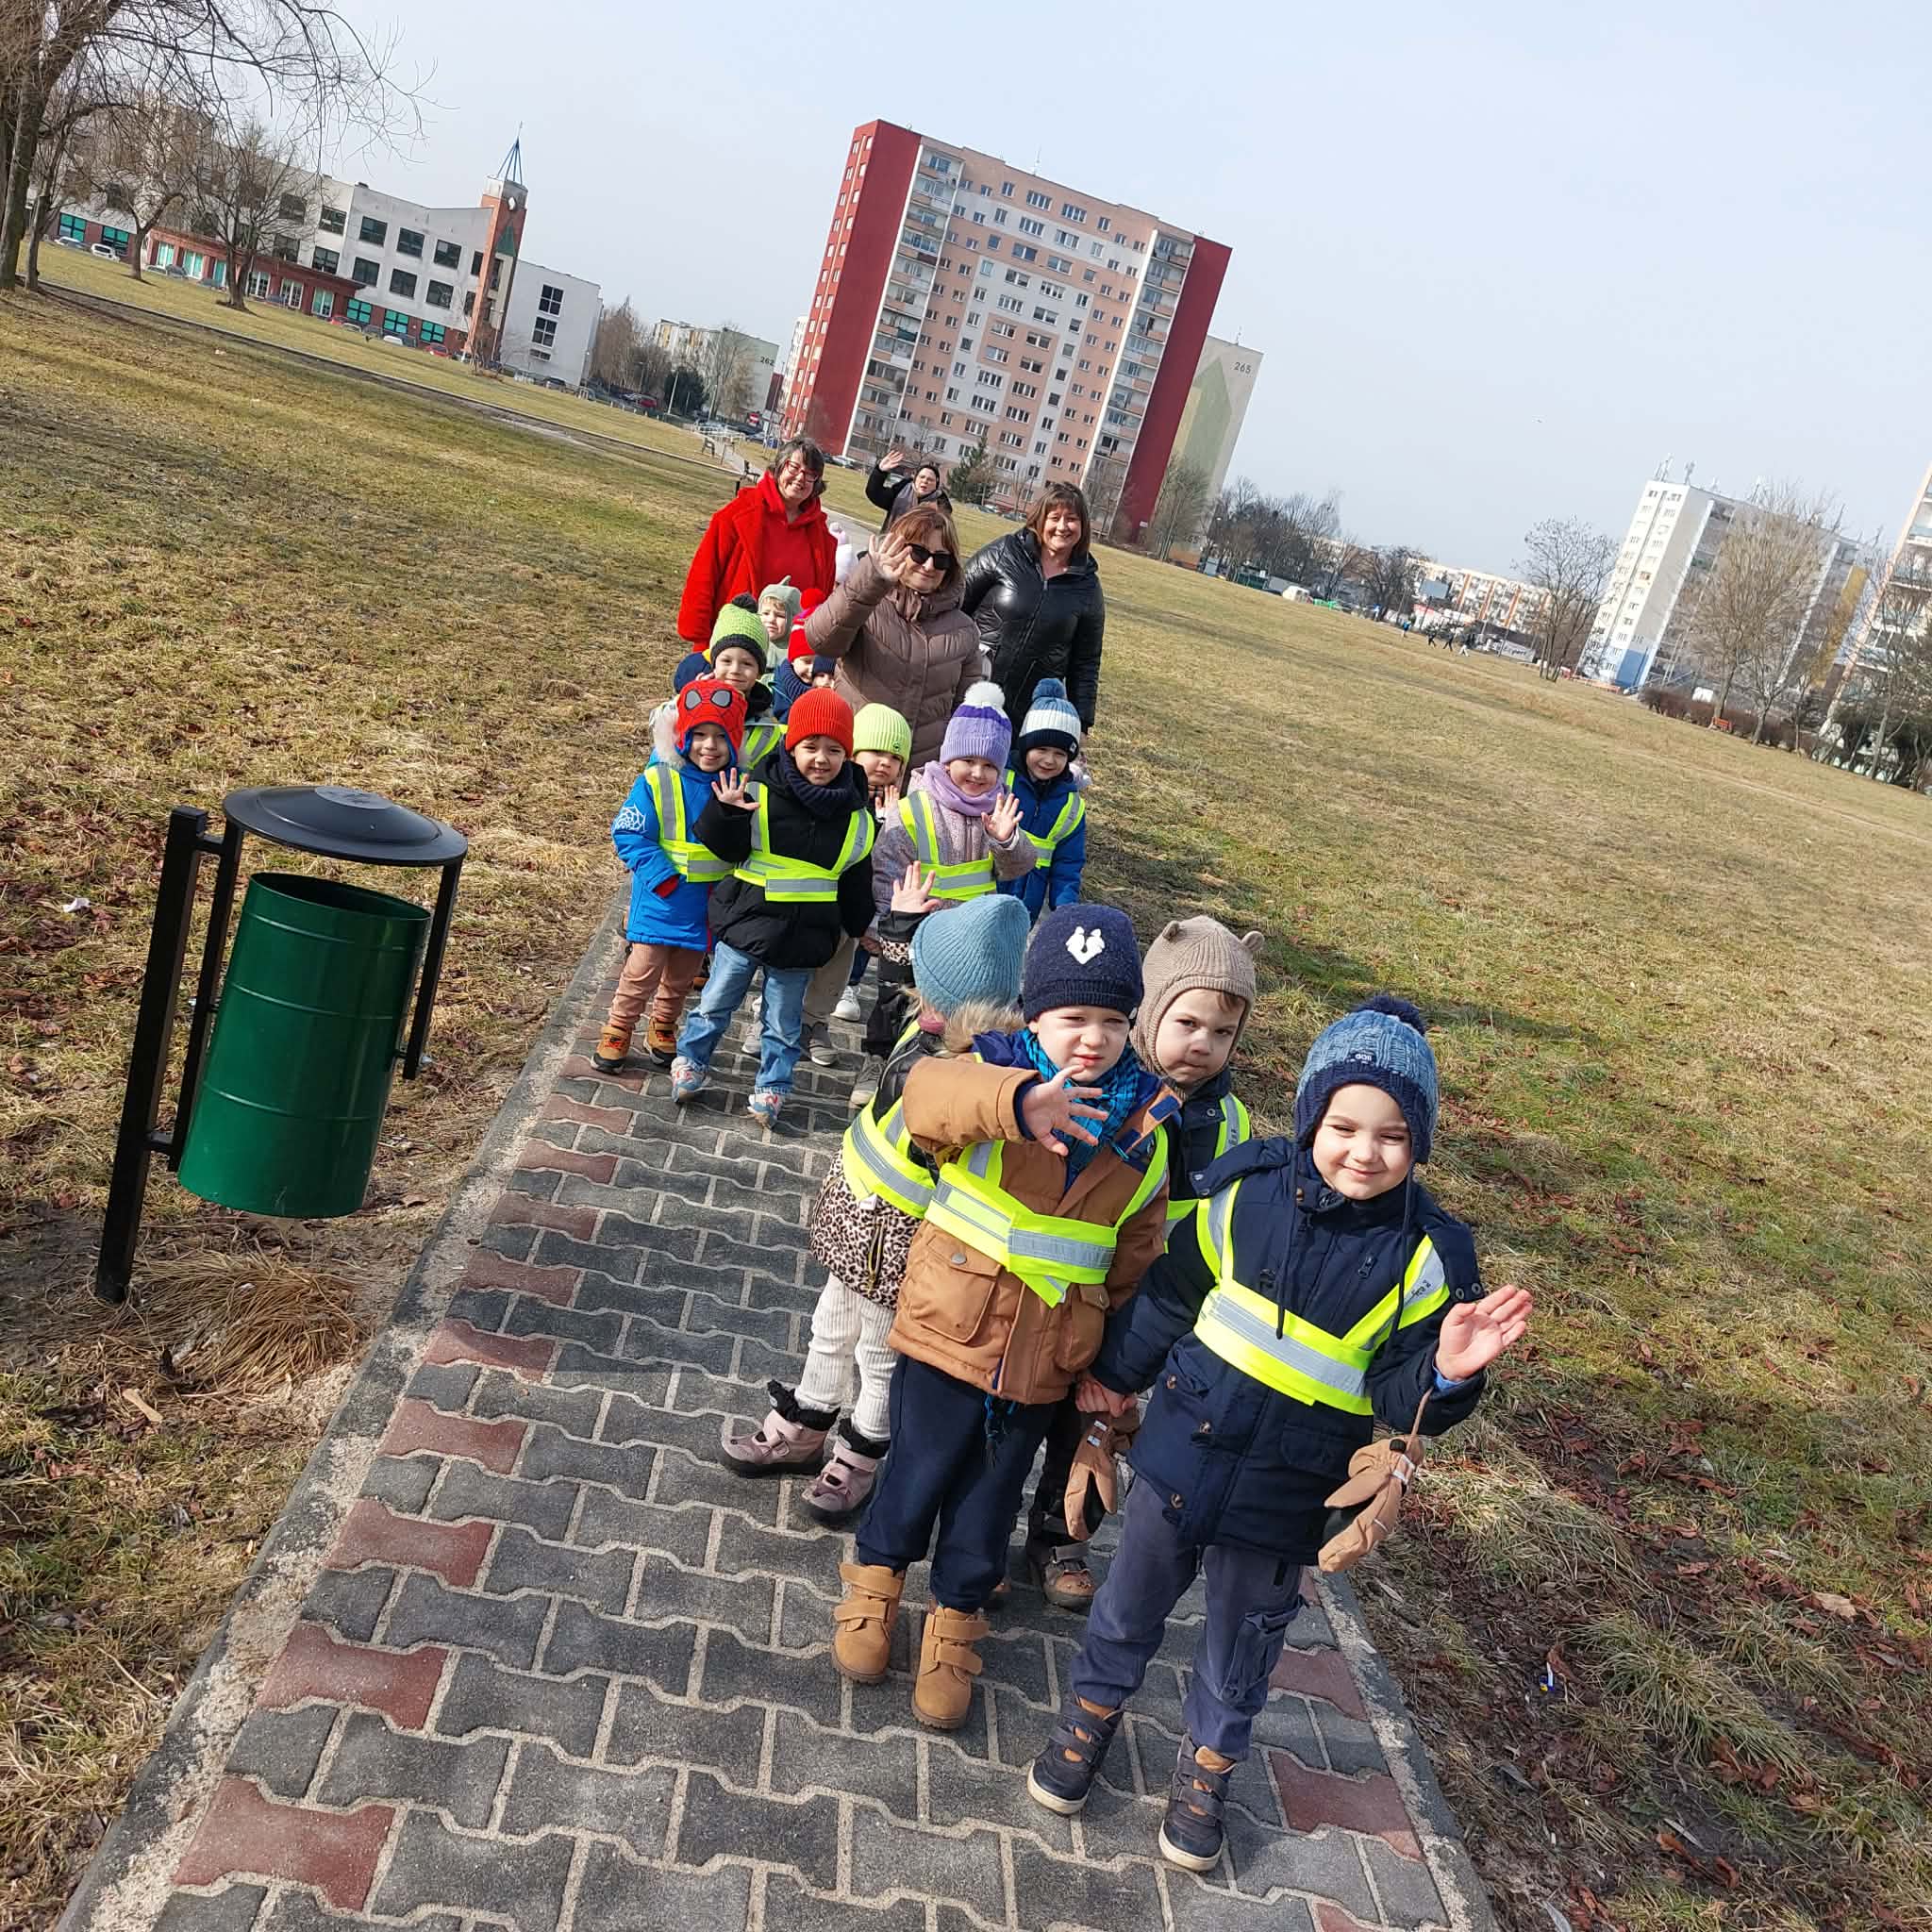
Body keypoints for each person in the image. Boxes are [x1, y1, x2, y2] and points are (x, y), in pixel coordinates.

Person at [1024, 996, 1534, 1874]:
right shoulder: (1244, 1191)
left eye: (1393, 1137)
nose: (1364, 1153)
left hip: (1289, 1493)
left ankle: (1206, 1771)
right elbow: (1172, 1297)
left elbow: (1400, 1392)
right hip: (1179, 1454)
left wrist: (1448, 1372)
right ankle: (1088, 1720)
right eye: (1344, 1125)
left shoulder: (1430, 1254)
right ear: (1309, 1118)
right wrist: (1113, 1382)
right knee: (1125, 1606)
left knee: (1243, 1645)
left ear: (1420, 1147)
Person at [828, 905, 1178, 1733]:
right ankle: (874, 1592)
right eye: (1068, 1018)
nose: (1089, 1038)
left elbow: (1135, 1255)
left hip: (1044, 1361)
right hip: (946, 1333)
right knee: (914, 1476)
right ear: (1033, 1016)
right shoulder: (987, 1069)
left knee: (986, 1504)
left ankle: (954, 1628)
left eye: (1110, 1020)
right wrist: (1018, 1104)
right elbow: (925, 1100)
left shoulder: (1148, 1126)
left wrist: (1115, 1373)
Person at [718, 889, 1031, 1522]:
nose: (917, 989)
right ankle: (810, 1415)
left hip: (904, 1235)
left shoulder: (972, 1069)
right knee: (831, 1323)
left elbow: (965, 1113)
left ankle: (861, 1450)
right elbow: (896, 980)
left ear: (957, 995)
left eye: (930, 979)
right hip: (859, 1213)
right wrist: (902, 922)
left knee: (881, 1352)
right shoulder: (927, 1020)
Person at [1015, 915, 1263, 1608]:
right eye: (1186, 1024)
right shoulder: (1108, 1090)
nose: (1203, 1045)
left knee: (1096, 1423)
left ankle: (1060, 1537)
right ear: (1148, 1012)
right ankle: (984, 1525)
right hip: (1064, 1290)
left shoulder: (1231, 1124)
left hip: (1146, 1309)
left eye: (1222, 1034)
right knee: (1025, 1413)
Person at [671, 689, 875, 1129]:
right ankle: (691, 1061)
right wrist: (723, 814)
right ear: (790, 746)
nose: (821, 758)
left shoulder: (858, 817)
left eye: (834, 749)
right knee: (715, 1003)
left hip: (803, 940)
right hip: (745, 924)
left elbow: (855, 881)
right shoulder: (758, 791)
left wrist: (862, 925)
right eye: (810, 746)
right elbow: (726, 847)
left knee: (784, 1024)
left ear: (848, 754)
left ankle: (773, 1087)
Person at [848, 681, 1033, 1108]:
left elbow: (1017, 865)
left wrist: (1008, 841)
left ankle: (950, 1073)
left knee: (962, 1015)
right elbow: (886, 871)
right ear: (948, 758)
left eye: (990, 765)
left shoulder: (999, 807)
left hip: (971, 947)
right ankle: (879, 1061)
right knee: (895, 1003)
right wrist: (884, 925)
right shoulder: (915, 808)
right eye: (967, 760)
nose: (978, 773)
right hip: (914, 933)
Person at [594, 679, 746, 1074]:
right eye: (699, 736)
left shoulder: (738, 786)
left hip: (704, 906)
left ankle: (663, 1025)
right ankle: (618, 1027)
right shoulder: (659, 779)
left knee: (682, 978)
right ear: (682, 737)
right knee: (639, 974)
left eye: (720, 737)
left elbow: (744, 845)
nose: (709, 747)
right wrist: (660, 877)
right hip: (660, 900)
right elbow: (628, 832)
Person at [805, 506, 982, 770]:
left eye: (941, 559)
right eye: (919, 553)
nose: (929, 565)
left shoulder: (964, 630)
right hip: (854, 761)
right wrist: (872, 579)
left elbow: (964, 712)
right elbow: (821, 639)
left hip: (919, 773)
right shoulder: (869, 603)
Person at [803, 702, 912, 1050]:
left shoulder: (900, 807)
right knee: (796, 970)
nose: (885, 763)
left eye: (894, 758)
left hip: (855, 910)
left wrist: (891, 823)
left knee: (834, 974)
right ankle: (771, 1023)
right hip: (813, 903)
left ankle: (815, 1026)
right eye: (876, 752)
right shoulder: (835, 791)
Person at [959, 483, 1106, 736]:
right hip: (970, 687)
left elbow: (1086, 661)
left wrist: (1082, 722)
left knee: (1008, 773)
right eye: (1055, 518)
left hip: (1028, 710)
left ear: (1082, 527)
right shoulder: (1006, 551)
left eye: (1071, 519)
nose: (1062, 527)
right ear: (1040, 520)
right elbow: (956, 599)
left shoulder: (1088, 586)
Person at [677, 438, 838, 646]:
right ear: (780, 467)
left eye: (810, 475)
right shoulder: (737, 515)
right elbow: (704, 574)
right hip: (732, 641)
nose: (800, 477)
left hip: (788, 656)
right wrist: (700, 640)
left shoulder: (822, 539)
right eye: (794, 467)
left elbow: (822, 602)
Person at [998, 677, 1089, 924]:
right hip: (986, 893)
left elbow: (1068, 863)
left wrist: (1065, 908)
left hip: (1027, 907)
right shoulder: (1002, 781)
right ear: (1026, 746)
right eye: (1041, 749)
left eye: (1060, 754)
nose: (1049, 760)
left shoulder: (1071, 806)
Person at [707, 603, 784, 774]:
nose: (735, 670)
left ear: (759, 672)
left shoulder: (767, 725)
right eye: (726, 661)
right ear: (713, 664)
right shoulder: (689, 704)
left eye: (747, 663)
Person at [866, 447, 952, 532]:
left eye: (930, 480)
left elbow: (940, 527)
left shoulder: (941, 502)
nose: (925, 481)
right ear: (915, 479)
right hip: (891, 542)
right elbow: (874, 493)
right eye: (922, 477)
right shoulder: (902, 490)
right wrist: (880, 471)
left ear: (936, 483)